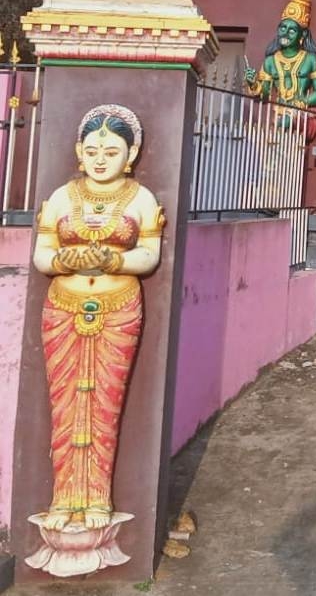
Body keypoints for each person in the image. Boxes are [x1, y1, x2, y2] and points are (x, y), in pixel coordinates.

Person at [31, 106, 164, 532]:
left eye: (111, 150)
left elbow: (149, 257)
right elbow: (41, 256)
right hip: (63, 309)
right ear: (78, 151)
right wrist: (62, 259)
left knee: (105, 404)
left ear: (131, 154)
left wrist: (115, 258)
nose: (101, 159)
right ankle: (63, 496)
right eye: (92, 150)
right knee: (65, 404)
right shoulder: (61, 197)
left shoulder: (140, 199)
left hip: (118, 309)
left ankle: (97, 498)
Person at [245, 0, 316, 109]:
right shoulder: (270, 62)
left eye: (292, 30)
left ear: (302, 34)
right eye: (283, 28)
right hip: (278, 112)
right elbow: (265, 93)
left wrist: (303, 102)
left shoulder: (311, 60)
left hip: (301, 115)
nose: (286, 33)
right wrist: (254, 84)